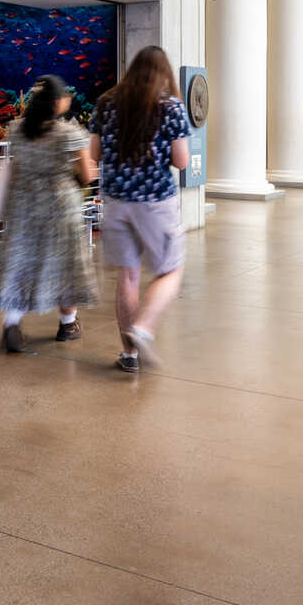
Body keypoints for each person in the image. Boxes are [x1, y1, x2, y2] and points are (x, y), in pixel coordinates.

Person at [87, 46, 191, 373]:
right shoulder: (170, 106)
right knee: (171, 270)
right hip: (155, 202)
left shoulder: (106, 103)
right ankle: (144, 328)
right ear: (164, 73)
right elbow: (181, 160)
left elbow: (94, 153)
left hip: (116, 200)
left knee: (128, 275)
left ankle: (129, 355)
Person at [0, 75, 99, 353]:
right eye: (65, 96)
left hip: (25, 205)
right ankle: (68, 324)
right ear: (57, 102)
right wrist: (88, 170)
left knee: (21, 262)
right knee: (66, 266)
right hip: (61, 207)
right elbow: (86, 175)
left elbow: (19, 166)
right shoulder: (69, 133)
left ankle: (11, 324)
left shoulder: (17, 129)